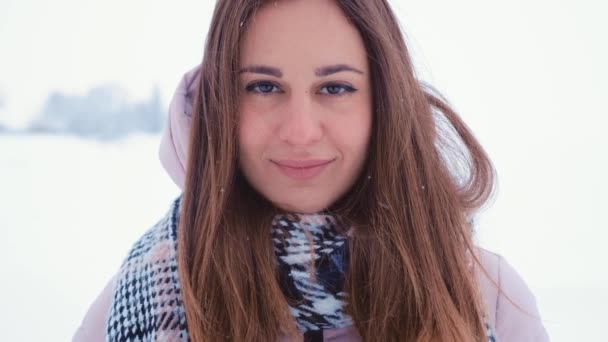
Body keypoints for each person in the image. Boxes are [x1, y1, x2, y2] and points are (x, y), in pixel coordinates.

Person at [73, 0, 549, 341]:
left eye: (336, 88)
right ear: (221, 106)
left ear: (384, 103)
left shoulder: (484, 295)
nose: (300, 132)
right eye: (262, 86)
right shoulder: (141, 295)